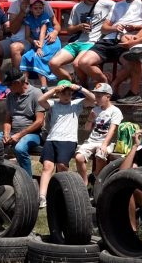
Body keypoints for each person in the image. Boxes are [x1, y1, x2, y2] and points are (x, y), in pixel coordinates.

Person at [78, 0, 142, 103]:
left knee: (134, 62)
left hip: (127, 40)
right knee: (83, 62)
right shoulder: (117, 5)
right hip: (109, 40)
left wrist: (134, 27)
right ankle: (105, 82)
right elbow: (104, 28)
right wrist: (115, 28)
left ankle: (114, 85)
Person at [0, 0, 60, 88]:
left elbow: (56, 25)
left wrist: (55, 32)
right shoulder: (16, 4)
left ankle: (23, 83)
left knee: (14, 47)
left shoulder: (43, 4)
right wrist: (22, 12)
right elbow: (13, 30)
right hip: (14, 38)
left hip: (29, 40)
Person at [37, 80, 96, 208]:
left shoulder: (76, 104)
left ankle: (63, 193)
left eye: (69, 93)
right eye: (63, 93)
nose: (66, 96)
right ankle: (42, 196)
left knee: (62, 166)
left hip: (68, 140)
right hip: (52, 139)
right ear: (58, 94)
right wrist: (54, 90)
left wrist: (80, 88)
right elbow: (40, 100)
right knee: (47, 167)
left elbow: (93, 98)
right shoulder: (53, 103)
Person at [49, 0, 115, 86]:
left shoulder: (108, 4)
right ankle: (72, 83)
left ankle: (85, 87)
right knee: (53, 64)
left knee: (77, 64)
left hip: (93, 41)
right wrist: (79, 27)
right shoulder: (77, 7)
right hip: (78, 42)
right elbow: (69, 29)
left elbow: (121, 13)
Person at [0, 68, 45, 177]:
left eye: (9, 85)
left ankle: (27, 181)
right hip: (13, 132)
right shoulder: (11, 95)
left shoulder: (36, 93)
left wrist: (19, 135)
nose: (8, 88)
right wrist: (6, 133)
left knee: (19, 148)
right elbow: (7, 119)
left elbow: (39, 121)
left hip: (33, 134)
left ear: (17, 83)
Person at [75, 83, 123, 185]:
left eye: (99, 96)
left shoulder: (115, 111)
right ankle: (85, 182)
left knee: (100, 156)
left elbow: (112, 129)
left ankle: (95, 176)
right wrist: (89, 119)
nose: (96, 98)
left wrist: (104, 145)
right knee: (79, 157)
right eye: (95, 95)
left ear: (108, 97)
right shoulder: (95, 109)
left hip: (106, 142)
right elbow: (87, 129)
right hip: (92, 140)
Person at [19, 0, 62, 92]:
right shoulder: (28, 18)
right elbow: (27, 36)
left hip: (50, 42)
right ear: (31, 9)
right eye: (35, 8)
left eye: (40, 8)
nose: (38, 10)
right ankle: (25, 83)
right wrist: (33, 41)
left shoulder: (45, 16)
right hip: (38, 43)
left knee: (38, 56)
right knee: (25, 57)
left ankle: (44, 86)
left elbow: (43, 33)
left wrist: (39, 48)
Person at [119, 122, 142, 231]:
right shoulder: (141, 154)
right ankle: (132, 232)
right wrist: (135, 145)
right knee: (127, 187)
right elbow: (122, 173)